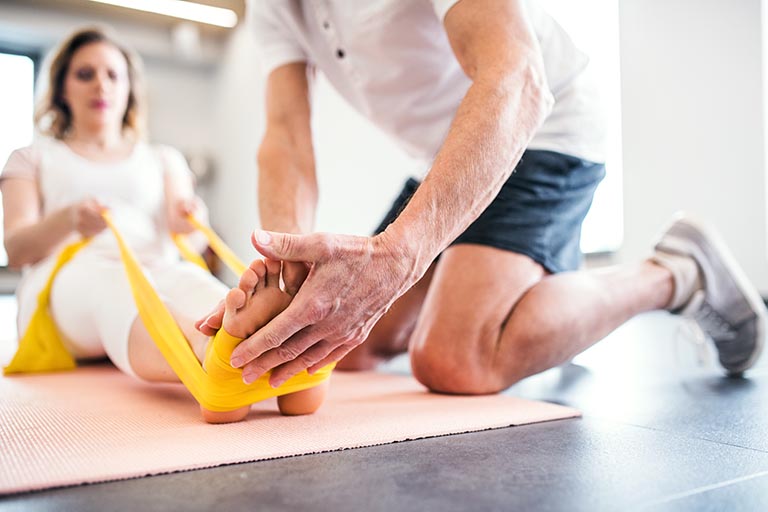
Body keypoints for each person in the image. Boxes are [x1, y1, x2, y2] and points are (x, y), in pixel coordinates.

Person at [198, 0, 766, 392]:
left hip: (542, 127)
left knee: (455, 360)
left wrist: (401, 253)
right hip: (446, 154)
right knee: (348, 347)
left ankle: (676, 271)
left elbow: (516, 78)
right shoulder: (274, 6)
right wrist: (285, 273)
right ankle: (537, 299)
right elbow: (287, 138)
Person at [1, 26, 327, 423]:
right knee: (119, 289)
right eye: (85, 74)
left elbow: (183, 226)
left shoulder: (162, 159)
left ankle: (271, 353)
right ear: (61, 89)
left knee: (196, 285)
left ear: (129, 90)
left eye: (112, 75)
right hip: (69, 278)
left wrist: (192, 215)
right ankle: (214, 359)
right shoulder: (31, 158)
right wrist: (69, 219)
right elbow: (16, 248)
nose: (100, 85)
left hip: (158, 264)